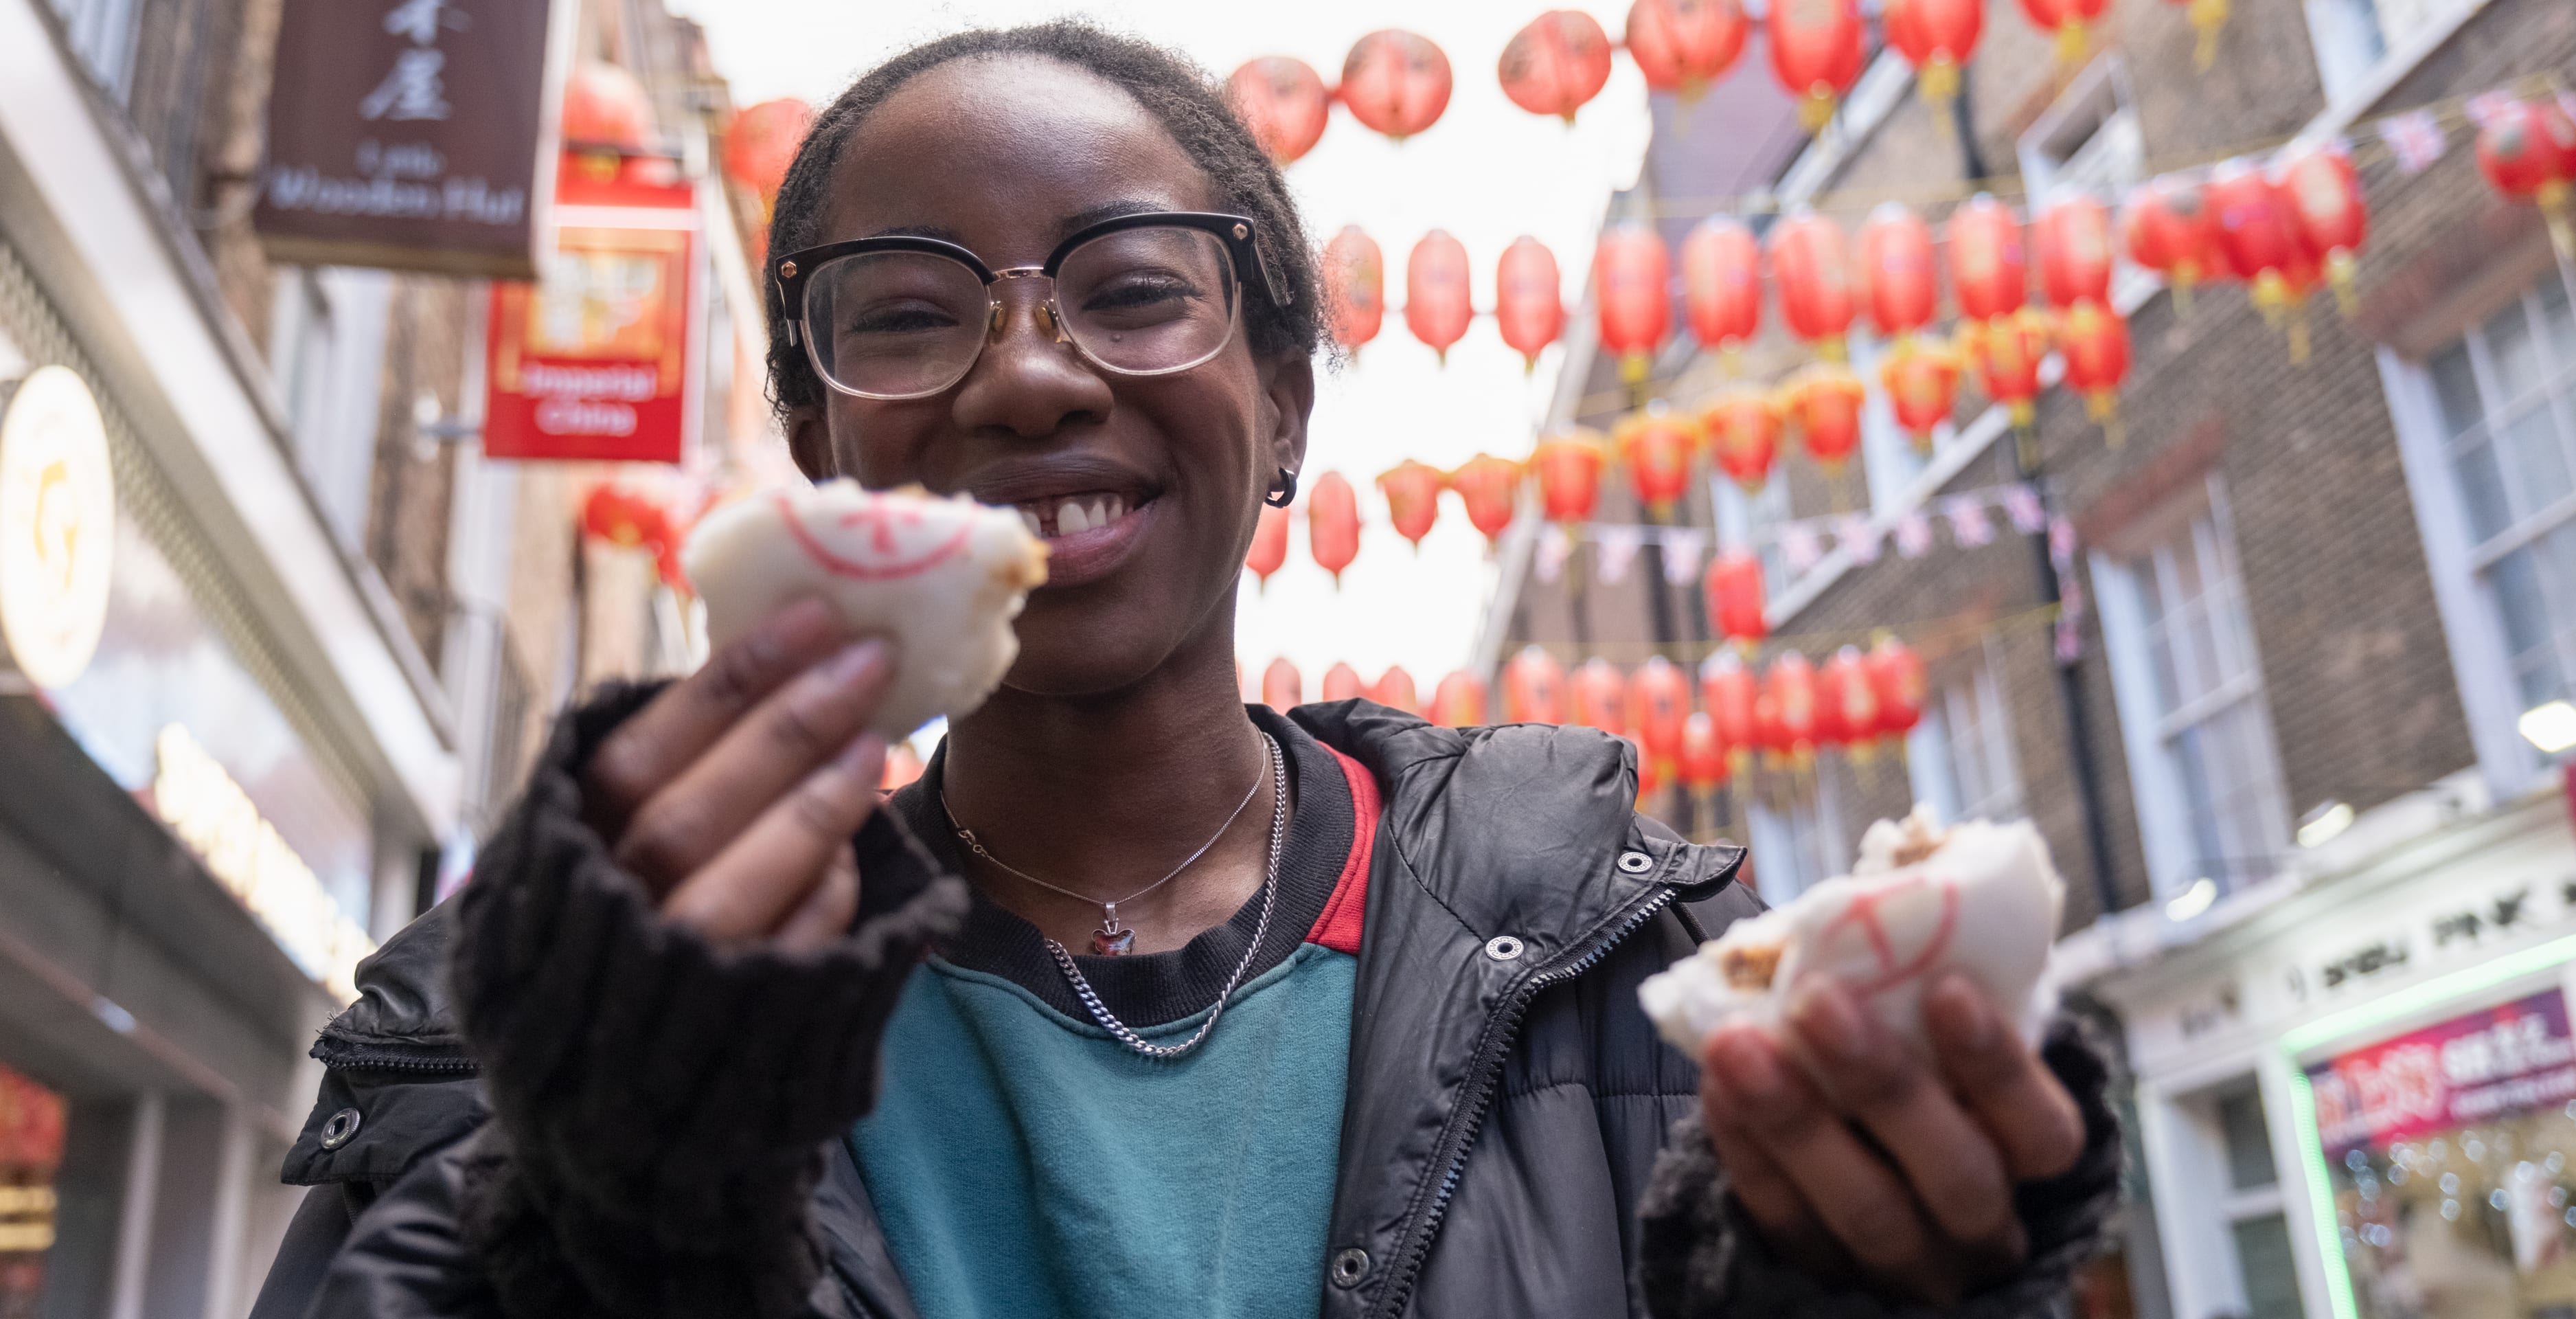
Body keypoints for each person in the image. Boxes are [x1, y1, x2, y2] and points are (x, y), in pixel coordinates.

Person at [251, 23, 2119, 1319]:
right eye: (906, 316)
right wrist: (610, 1199)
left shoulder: (1641, 984)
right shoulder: (573, 1019)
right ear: (821, 446)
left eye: (1136, 289)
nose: (1030, 375)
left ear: (1284, 399)